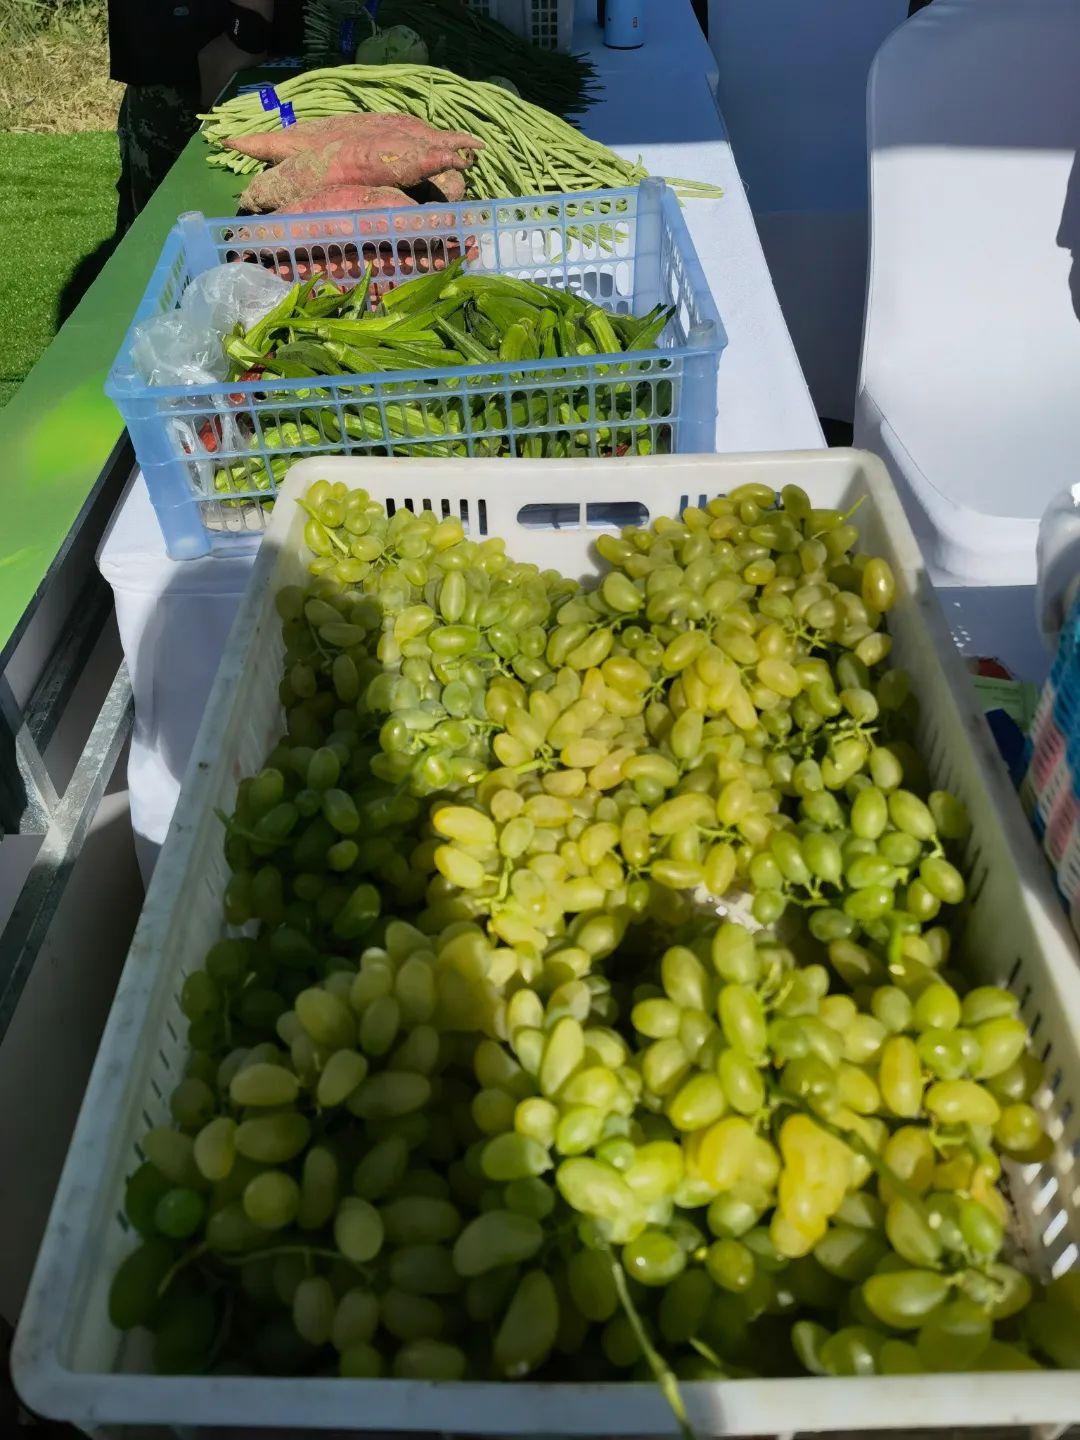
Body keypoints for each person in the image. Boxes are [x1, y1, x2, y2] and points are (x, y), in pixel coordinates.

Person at [108, 0, 299, 235]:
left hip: (194, 64)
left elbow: (248, 30)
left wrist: (245, 34)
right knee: (148, 219)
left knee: (172, 218)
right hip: (160, 64)